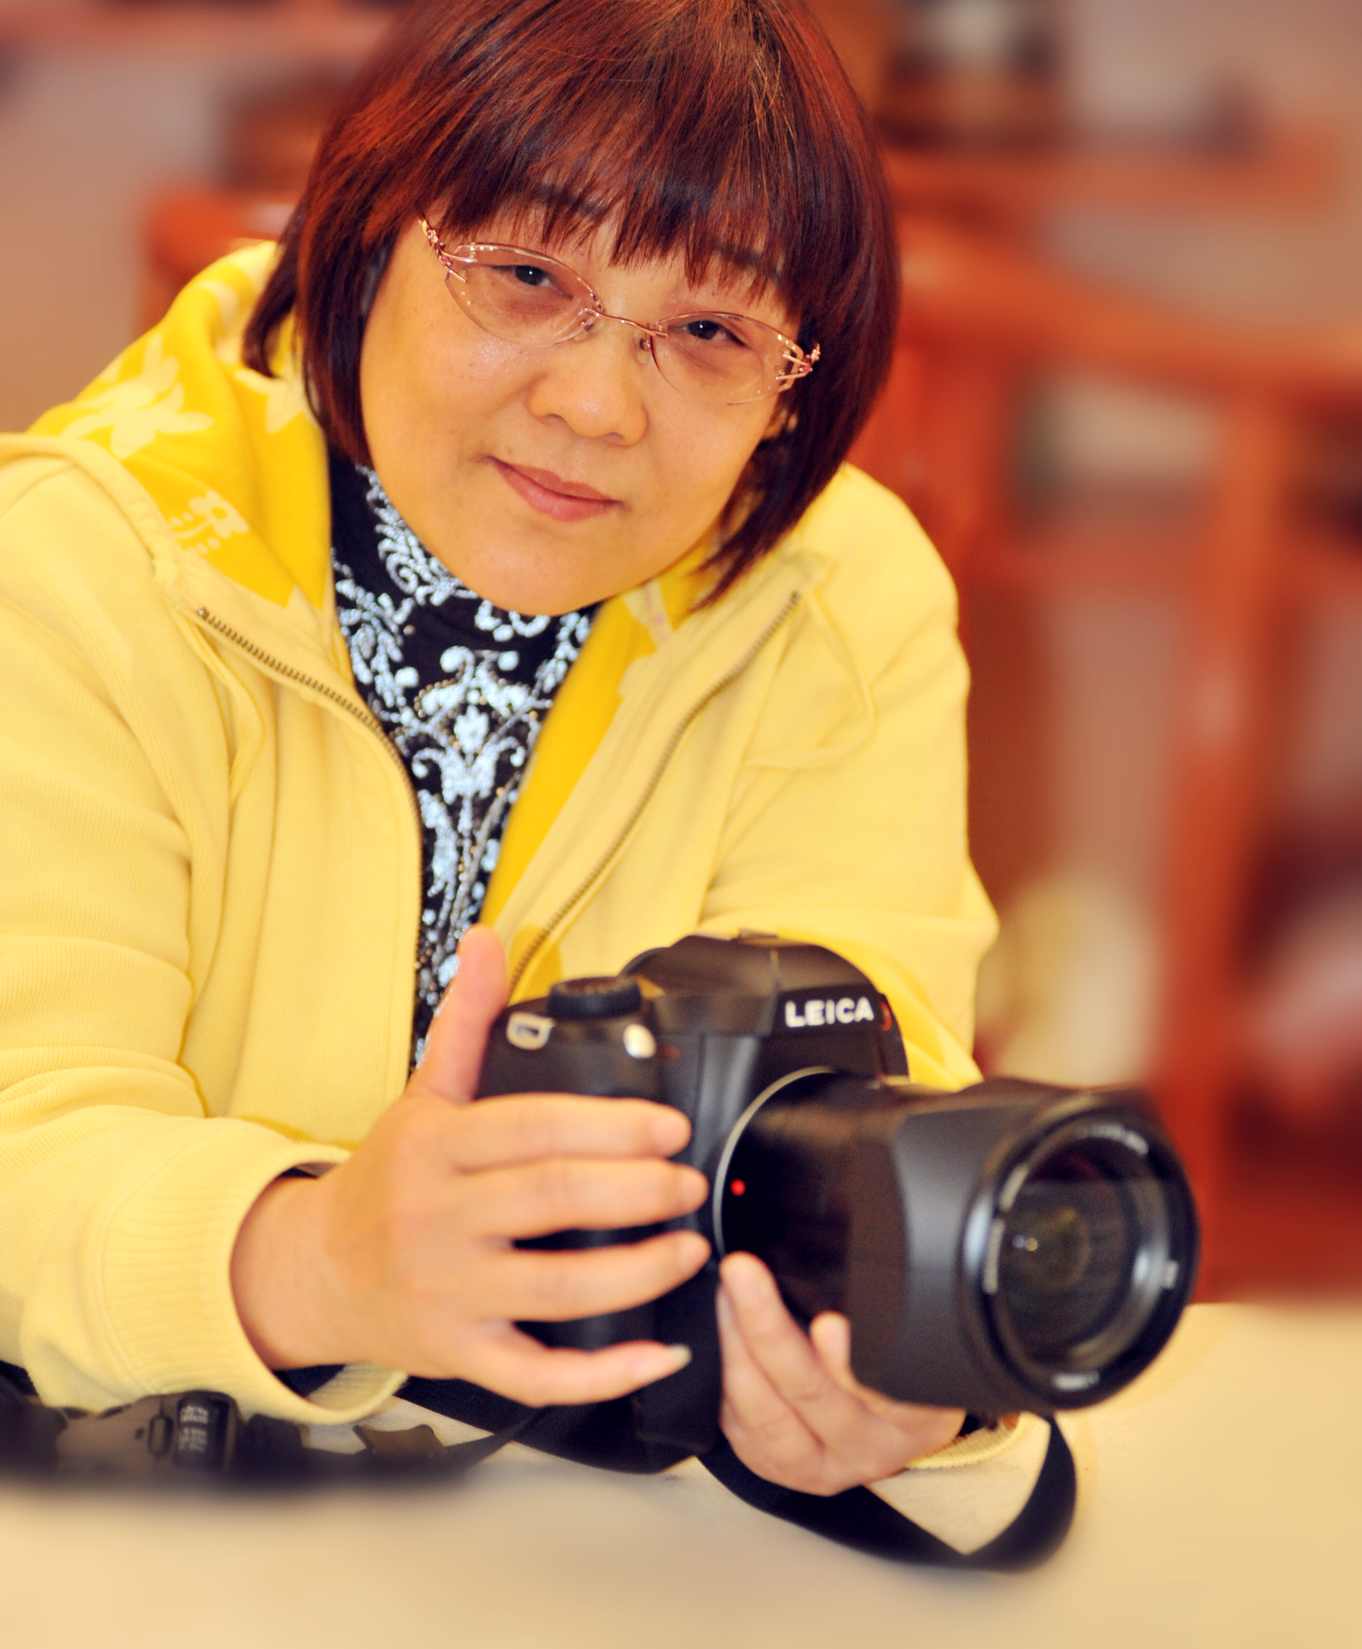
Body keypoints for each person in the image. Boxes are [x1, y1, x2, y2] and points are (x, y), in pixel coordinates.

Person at [0, 0, 1013, 1503]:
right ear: (364, 238)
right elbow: (21, 1146)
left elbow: (876, 1082)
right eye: (527, 276)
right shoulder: (83, 563)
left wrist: (898, 1356)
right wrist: (315, 1258)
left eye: (710, 333)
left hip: (587, 1563)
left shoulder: (836, 596)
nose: (594, 404)